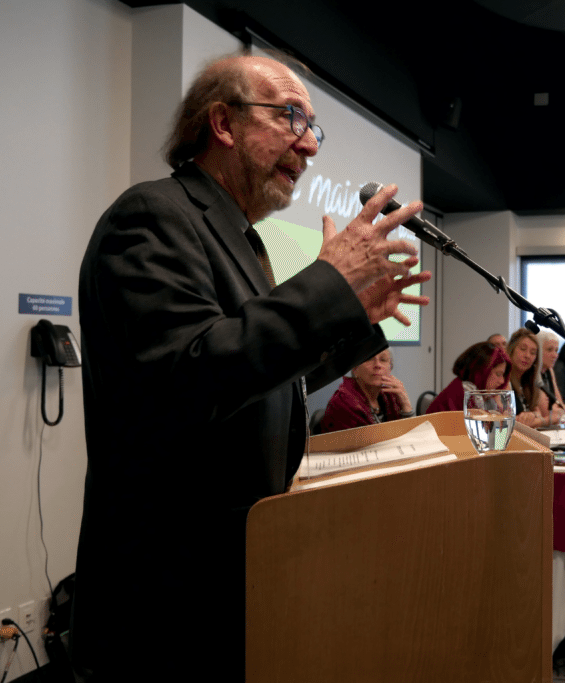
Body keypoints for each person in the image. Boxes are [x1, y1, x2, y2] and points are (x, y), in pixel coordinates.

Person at [71, 51, 431, 683]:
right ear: (223, 123)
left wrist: (350, 314)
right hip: (165, 591)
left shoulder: (240, 236)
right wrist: (327, 284)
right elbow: (187, 377)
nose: (310, 145)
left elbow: (255, 379)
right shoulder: (153, 217)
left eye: (314, 126)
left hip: (232, 573)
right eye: (291, 117)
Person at [319, 348, 414, 432]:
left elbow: (410, 438)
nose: (377, 365)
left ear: (390, 368)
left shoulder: (391, 396)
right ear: (355, 369)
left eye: (383, 359)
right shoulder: (341, 402)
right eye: (369, 358)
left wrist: (406, 404)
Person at [426, 342, 511, 413]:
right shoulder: (464, 393)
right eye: (498, 374)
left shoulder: (480, 393)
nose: (502, 381)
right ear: (480, 371)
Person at [507, 328, 553, 427]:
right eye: (523, 349)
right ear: (511, 350)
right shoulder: (504, 381)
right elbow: (511, 424)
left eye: (533, 353)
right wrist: (549, 420)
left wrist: (534, 415)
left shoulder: (528, 381)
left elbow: (538, 413)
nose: (527, 356)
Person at [536, 330, 565, 422]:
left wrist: (557, 411)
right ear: (538, 350)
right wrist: (556, 411)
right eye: (549, 350)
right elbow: (545, 412)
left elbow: (562, 406)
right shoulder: (532, 374)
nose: (555, 355)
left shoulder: (549, 370)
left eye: (556, 350)